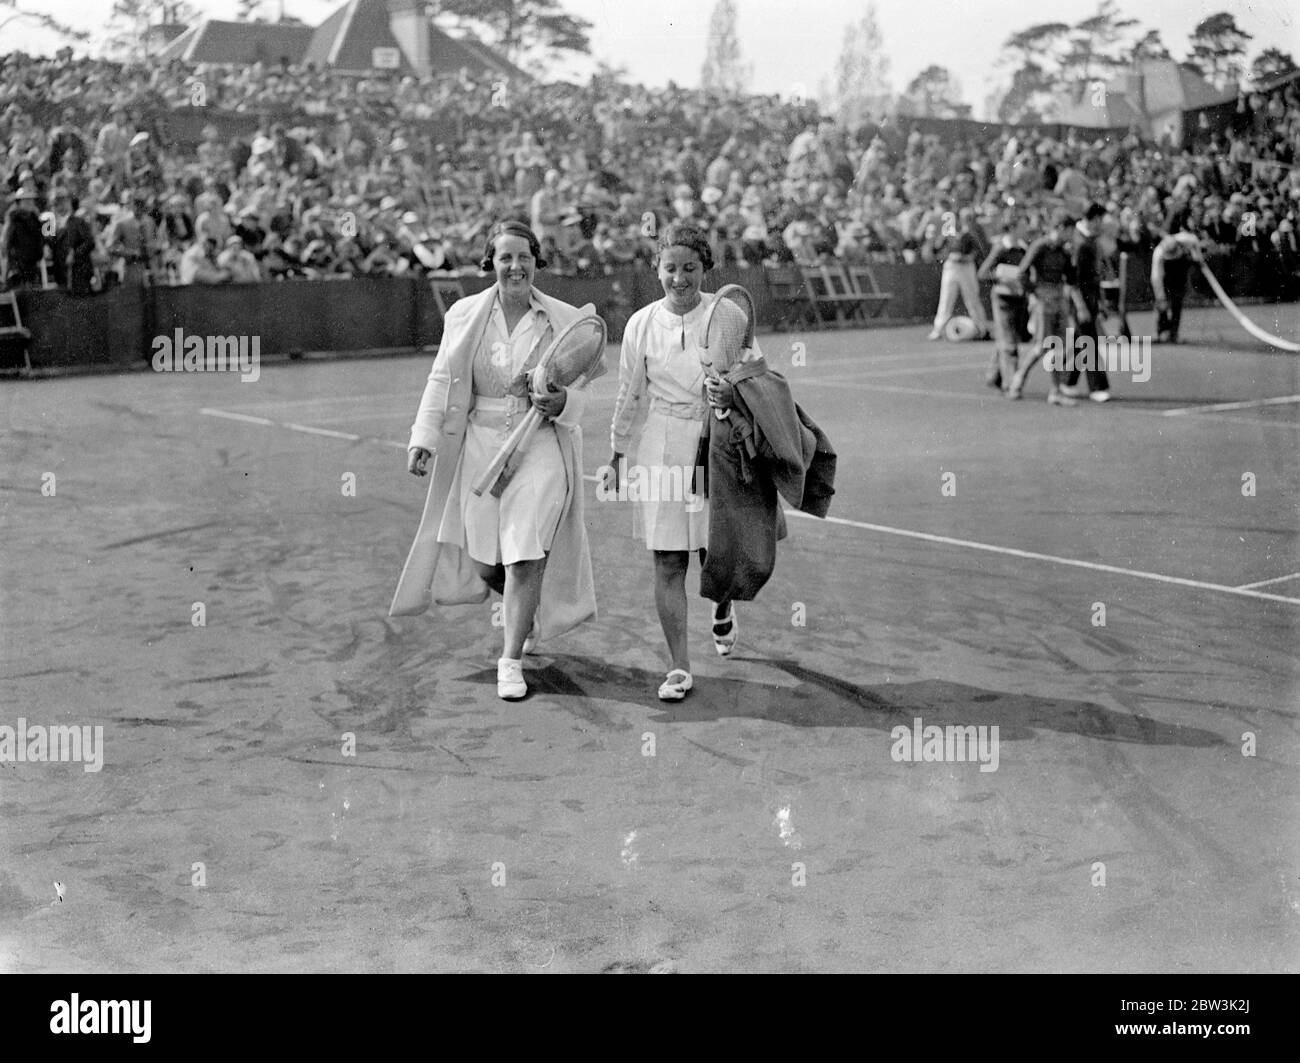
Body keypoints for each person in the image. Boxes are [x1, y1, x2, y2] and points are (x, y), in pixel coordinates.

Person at [390, 219, 602, 701]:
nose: (515, 266)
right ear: (491, 262)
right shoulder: (465, 315)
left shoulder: (563, 318)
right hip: (480, 448)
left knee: (525, 545)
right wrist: (422, 438)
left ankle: (510, 659)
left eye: (524, 256)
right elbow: (441, 380)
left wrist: (562, 402)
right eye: (505, 257)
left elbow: (585, 395)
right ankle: (523, 609)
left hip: (541, 443)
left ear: (535, 262)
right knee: (488, 563)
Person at [603, 222, 746, 702]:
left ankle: (722, 606)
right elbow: (629, 393)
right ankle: (680, 667)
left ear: (704, 268)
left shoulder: (727, 316)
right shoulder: (640, 324)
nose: (680, 279)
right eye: (670, 269)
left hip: (715, 443)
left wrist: (731, 392)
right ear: (657, 270)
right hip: (660, 446)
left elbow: (754, 374)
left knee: (714, 552)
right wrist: (617, 453)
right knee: (667, 560)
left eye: (689, 268)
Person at [1008, 210, 1084, 405]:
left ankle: (1055, 391)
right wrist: (1035, 292)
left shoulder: (1064, 251)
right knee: (1041, 346)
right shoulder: (1040, 246)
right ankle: (1018, 380)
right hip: (1044, 299)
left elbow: (1071, 278)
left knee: (1059, 346)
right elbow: (1021, 273)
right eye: (1069, 231)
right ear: (1060, 228)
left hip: (1059, 298)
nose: (1070, 235)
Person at [1062, 203, 1111, 401]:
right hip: (1079, 299)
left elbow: (1096, 275)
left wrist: (1101, 301)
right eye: (1100, 220)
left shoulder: (1091, 241)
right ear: (1093, 219)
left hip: (1090, 298)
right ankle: (1098, 387)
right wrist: (1081, 306)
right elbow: (1073, 280)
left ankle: (1067, 381)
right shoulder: (1079, 242)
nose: (1102, 224)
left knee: (1080, 341)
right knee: (1089, 341)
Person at [977, 213, 1030, 394]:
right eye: (1023, 225)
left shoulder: (1023, 248)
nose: (1026, 229)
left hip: (1018, 298)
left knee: (1007, 337)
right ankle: (1011, 383)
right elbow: (983, 272)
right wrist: (1002, 278)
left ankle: (994, 376)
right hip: (1003, 298)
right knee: (1008, 341)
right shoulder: (1001, 248)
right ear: (1013, 228)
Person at [927, 207, 991, 340]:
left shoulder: (972, 232)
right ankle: (938, 329)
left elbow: (978, 251)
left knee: (972, 299)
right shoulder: (950, 232)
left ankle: (982, 328)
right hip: (951, 266)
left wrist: (966, 257)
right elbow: (937, 248)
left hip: (966, 267)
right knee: (946, 298)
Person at [1151, 222, 1202, 344]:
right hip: (1166, 275)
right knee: (1162, 305)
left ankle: (1174, 333)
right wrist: (1160, 298)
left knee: (1177, 301)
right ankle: (1162, 332)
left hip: (1180, 269)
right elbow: (1156, 278)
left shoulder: (1185, 239)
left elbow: (1195, 241)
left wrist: (1197, 257)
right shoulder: (1158, 254)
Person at [2, 185, 45, 290]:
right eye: (26, 200)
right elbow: (6, 246)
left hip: (33, 265)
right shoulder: (13, 220)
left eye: (31, 200)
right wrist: (7, 272)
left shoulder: (35, 219)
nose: (30, 203)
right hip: (18, 266)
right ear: (19, 203)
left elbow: (41, 239)